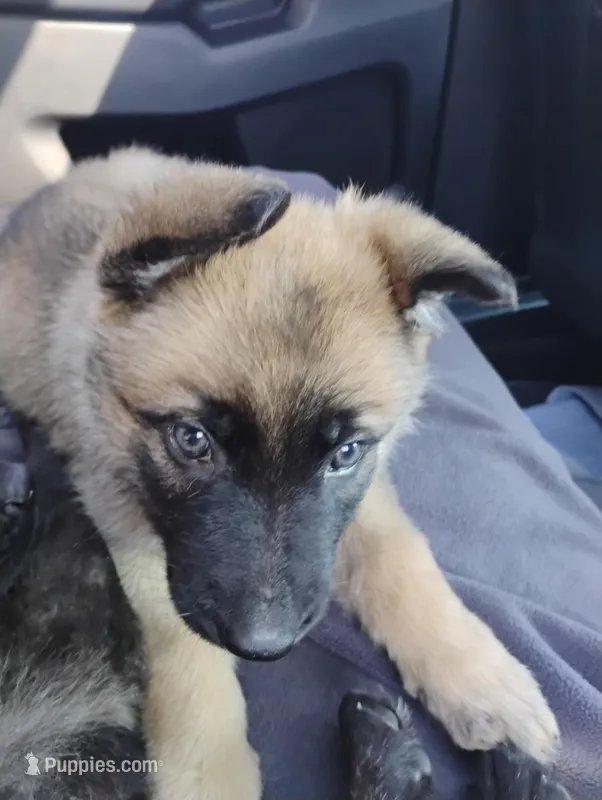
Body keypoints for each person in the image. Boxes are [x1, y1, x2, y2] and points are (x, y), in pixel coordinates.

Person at [1, 171, 601, 800]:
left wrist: (436, 632)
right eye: (195, 442)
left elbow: (348, 488)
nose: (266, 624)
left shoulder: (383, 293)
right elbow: (139, 556)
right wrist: (205, 753)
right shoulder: (137, 312)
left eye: (345, 450)